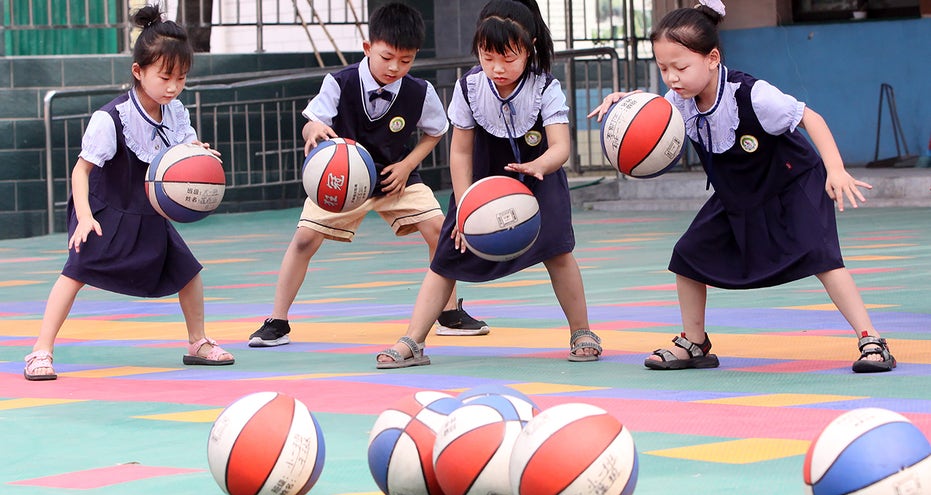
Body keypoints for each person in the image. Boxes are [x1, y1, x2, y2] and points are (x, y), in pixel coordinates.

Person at [588, 0, 895, 373]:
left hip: (790, 182)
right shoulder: (676, 103)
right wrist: (627, 106)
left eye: (681, 67)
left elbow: (809, 117)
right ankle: (694, 342)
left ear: (713, 58)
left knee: (822, 255)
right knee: (687, 255)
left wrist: (836, 170)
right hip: (738, 191)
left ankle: (871, 339)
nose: (672, 78)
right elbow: (650, 118)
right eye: (663, 68)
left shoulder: (752, 95)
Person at [376, 0, 603, 369]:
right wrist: (465, 205)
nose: (497, 68)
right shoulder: (469, 87)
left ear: (528, 48)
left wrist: (537, 166)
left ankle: (582, 331)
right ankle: (412, 341)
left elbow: (560, 146)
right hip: (480, 185)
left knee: (558, 251)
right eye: (487, 56)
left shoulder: (545, 87)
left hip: (538, 177)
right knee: (444, 259)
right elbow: (461, 152)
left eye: (508, 58)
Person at [247, 2, 489, 347]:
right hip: (344, 179)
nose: (395, 67)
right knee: (303, 240)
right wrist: (313, 131)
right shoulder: (339, 81)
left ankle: (448, 313)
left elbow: (435, 131)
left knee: (439, 229)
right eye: (387, 57)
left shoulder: (419, 91)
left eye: (406, 61)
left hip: (395, 177)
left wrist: (408, 165)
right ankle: (277, 321)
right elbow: (313, 121)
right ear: (368, 48)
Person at [23, 5, 234, 381]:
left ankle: (197, 342)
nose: (173, 86)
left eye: (181, 78)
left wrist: (200, 155)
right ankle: (40, 350)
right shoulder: (111, 118)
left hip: (147, 208)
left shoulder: (175, 111)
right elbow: (81, 170)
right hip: (107, 207)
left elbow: (183, 151)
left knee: (189, 273)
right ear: (139, 72)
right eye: (165, 76)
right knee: (75, 272)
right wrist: (84, 217)